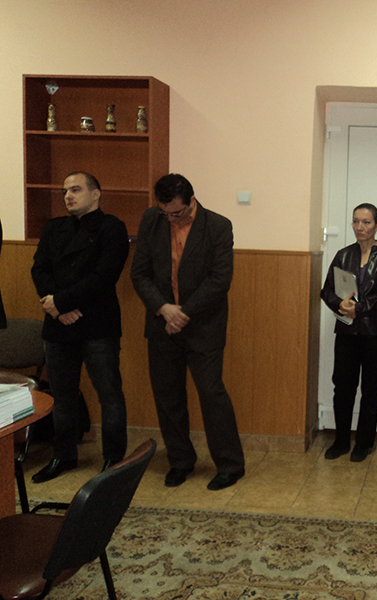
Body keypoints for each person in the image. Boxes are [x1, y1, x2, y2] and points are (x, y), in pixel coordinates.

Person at [130, 173, 245, 491]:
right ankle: (180, 461)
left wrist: (182, 313)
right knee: (168, 396)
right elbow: (139, 273)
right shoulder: (151, 219)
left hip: (203, 325)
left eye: (176, 212)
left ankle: (230, 465)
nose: (170, 218)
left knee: (211, 393)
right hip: (161, 323)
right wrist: (163, 308)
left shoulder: (218, 226)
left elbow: (219, 280)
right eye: (165, 212)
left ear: (191, 201)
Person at [30, 172, 129, 482]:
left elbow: (103, 277)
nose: (68, 196)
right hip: (59, 325)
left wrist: (62, 303)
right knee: (62, 396)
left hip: (97, 323)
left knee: (109, 394)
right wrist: (56, 308)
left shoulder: (112, 228)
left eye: (75, 189)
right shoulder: (54, 227)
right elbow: (39, 269)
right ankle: (64, 455)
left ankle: (114, 459)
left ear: (96, 193)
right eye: (64, 191)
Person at [321, 203, 377, 462]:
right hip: (346, 333)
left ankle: (364, 443)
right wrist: (340, 304)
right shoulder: (343, 255)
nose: (360, 227)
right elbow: (326, 291)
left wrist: (361, 308)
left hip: (376, 334)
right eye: (356, 221)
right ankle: (341, 441)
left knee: (371, 390)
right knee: (342, 388)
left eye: (366, 222)